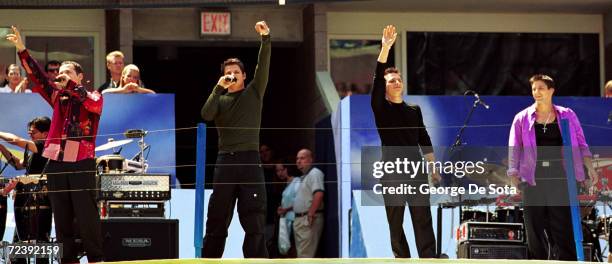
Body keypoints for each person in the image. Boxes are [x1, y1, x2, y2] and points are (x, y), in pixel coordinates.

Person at [7, 26, 104, 263]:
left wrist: (69, 85)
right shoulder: (56, 96)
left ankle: (96, 259)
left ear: (80, 76)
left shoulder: (93, 96)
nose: (61, 75)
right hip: (57, 162)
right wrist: (22, 49)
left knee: (86, 215)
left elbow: (92, 105)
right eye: (60, 72)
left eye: (67, 72)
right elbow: (38, 76)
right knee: (61, 217)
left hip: (81, 162)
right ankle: (67, 260)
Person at [507, 74, 598, 260]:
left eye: (541, 88)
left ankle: (567, 262)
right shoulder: (522, 118)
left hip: (560, 175)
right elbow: (514, 148)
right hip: (532, 177)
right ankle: (538, 263)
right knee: (533, 226)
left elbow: (581, 143)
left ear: (551, 90)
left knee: (562, 225)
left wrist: (590, 167)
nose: (536, 92)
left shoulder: (567, 114)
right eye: (533, 89)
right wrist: (513, 174)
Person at [200, 21, 271, 258]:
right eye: (228, 73)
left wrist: (265, 38)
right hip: (225, 163)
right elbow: (206, 114)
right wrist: (217, 89)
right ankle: (209, 261)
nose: (232, 75)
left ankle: (256, 262)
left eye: (236, 72)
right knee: (218, 217)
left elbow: (264, 66)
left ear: (244, 76)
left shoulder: (254, 91)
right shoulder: (219, 99)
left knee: (254, 218)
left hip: (250, 160)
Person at [370, 25, 440, 258]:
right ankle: (403, 259)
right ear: (385, 88)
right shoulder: (381, 108)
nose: (397, 83)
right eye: (391, 81)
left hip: (416, 171)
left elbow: (424, 138)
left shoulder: (414, 110)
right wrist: (386, 48)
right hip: (392, 172)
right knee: (395, 221)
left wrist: (433, 168)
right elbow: (376, 82)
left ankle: (429, 258)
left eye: (398, 79)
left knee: (422, 218)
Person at [0, 116, 52, 264]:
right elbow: (17, 165)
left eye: (34, 131)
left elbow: (16, 140)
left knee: (40, 240)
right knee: (21, 241)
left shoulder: (44, 146)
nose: (30, 132)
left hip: (40, 200)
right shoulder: (33, 152)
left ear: (45, 134)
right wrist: (1, 147)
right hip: (26, 201)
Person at [292, 149, 324, 258]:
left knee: (305, 256)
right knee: (302, 255)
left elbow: (318, 194)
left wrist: (310, 214)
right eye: (297, 158)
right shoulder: (303, 177)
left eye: (302, 158)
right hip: (300, 221)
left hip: (308, 220)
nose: (298, 161)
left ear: (310, 160)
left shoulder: (315, 173)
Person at [276, 159, 300, 257]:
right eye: (277, 171)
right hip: (286, 221)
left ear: (287, 169)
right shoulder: (284, 184)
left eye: (282, 170)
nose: (280, 173)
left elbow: (299, 201)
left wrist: (285, 209)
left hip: (295, 221)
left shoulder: (297, 182)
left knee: (295, 249)